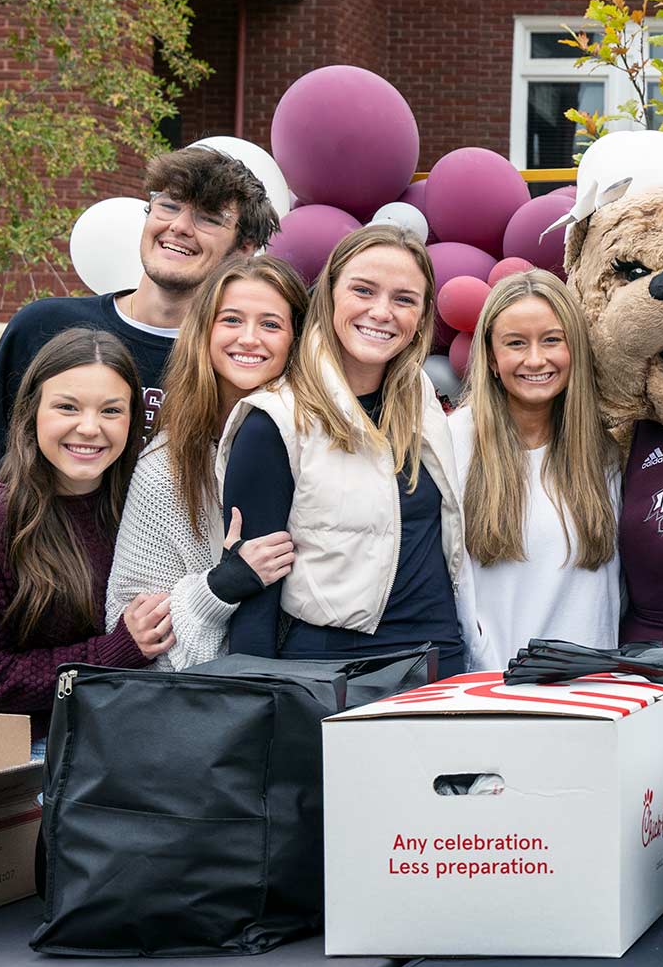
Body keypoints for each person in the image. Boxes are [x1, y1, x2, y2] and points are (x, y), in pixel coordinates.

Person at [0, 149, 281, 535]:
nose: (178, 226)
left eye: (208, 218)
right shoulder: (43, 328)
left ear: (243, 248)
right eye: (168, 206)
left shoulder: (239, 361)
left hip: (166, 590)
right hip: (41, 582)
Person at [220, 224, 470, 677]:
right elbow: (255, 593)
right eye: (363, 290)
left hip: (437, 659)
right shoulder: (273, 420)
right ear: (330, 294)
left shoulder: (422, 399)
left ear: (420, 317)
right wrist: (256, 701)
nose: (382, 311)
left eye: (404, 299)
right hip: (330, 671)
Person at [0, 329, 174, 748]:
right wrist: (113, 652)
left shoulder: (142, 508)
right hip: (29, 754)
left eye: (111, 411)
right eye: (67, 407)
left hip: (126, 735)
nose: (89, 428)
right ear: (32, 412)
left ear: (133, 420)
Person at [105, 256, 307, 670]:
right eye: (231, 320)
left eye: (270, 324)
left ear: (296, 338)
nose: (249, 338)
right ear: (204, 331)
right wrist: (220, 587)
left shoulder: (322, 449)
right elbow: (132, 629)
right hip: (214, 704)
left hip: (319, 686)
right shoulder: (166, 467)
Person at [448, 270, 624, 676]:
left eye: (551, 340)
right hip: (494, 695)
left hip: (593, 697)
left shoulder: (605, 451)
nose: (535, 359)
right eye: (515, 343)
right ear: (492, 359)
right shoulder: (453, 444)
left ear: (574, 348)